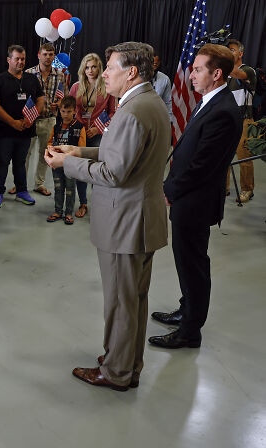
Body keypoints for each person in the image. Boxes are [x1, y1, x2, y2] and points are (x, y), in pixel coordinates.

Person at [45, 42, 171, 391]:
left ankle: (116, 372)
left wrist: (66, 163)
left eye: (110, 67)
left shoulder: (132, 110)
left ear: (131, 72)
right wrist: (80, 149)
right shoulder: (148, 103)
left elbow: (114, 173)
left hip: (125, 221)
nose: (104, 73)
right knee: (133, 299)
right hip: (140, 218)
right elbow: (122, 153)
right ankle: (126, 361)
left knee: (120, 301)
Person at [148, 44, 242, 349]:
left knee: (193, 265)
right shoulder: (211, 101)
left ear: (216, 74)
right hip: (189, 198)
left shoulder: (224, 111)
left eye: (198, 69)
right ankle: (186, 309)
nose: (191, 74)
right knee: (186, 260)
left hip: (195, 201)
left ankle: (190, 331)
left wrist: (170, 189)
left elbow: (203, 165)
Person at [0, 45, 45, 208]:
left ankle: (22, 191)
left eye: (23, 59)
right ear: (9, 60)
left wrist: (31, 116)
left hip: (26, 130)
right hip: (5, 131)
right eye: (17, 59)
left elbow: (41, 99)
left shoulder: (32, 79)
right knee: (2, 162)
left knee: (20, 163)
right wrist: (13, 122)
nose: (20, 62)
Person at [69, 53, 117, 218]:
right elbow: (71, 109)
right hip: (80, 133)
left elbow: (112, 112)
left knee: (98, 170)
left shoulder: (107, 87)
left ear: (99, 68)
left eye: (94, 67)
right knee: (81, 169)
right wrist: (80, 126)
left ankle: (99, 203)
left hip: (98, 134)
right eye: (87, 67)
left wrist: (97, 128)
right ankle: (83, 203)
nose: (90, 70)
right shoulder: (76, 87)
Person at [23, 42, 67, 198]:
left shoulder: (60, 75)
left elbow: (65, 97)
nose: (48, 57)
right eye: (45, 54)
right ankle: (20, 184)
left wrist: (60, 104)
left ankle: (39, 184)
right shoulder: (28, 73)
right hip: (31, 120)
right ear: (39, 55)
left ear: (54, 56)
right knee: (25, 153)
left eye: (51, 54)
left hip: (49, 120)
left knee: (44, 153)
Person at [224, 39, 257, 203]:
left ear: (241, 53)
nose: (230, 52)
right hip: (227, 120)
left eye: (232, 50)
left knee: (244, 156)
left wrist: (222, 61)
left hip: (244, 120)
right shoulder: (226, 76)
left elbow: (238, 74)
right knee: (224, 155)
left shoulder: (248, 71)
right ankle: (223, 187)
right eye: (227, 50)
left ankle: (247, 189)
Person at [45, 96, 86, 225]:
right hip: (57, 164)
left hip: (71, 165)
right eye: (63, 111)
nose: (66, 114)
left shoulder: (80, 127)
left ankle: (68, 213)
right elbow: (50, 142)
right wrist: (50, 150)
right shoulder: (56, 127)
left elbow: (82, 148)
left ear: (75, 111)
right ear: (59, 111)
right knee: (58, 187)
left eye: (69, 111)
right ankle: (58, 211)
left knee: (70, 188)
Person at [151, 53, 172, 120]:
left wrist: (170, 120)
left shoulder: (165, 79)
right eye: (153, 62)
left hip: (157, 118)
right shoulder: (139, 77)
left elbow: (167, 101)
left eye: (156, 63)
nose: (155, 64)